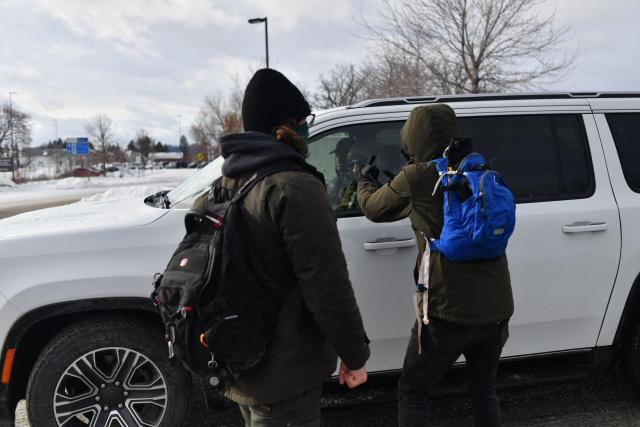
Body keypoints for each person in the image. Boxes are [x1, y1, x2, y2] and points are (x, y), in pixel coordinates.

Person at [212, 68, 370, 426]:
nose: (308, 128)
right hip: (283, 371)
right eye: (304, 120)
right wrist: (354, 354)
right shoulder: (294, 187)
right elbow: (327, 286)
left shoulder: (229, 181)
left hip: (240, 358)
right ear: (288, 126)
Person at [356, 104, 513, 427]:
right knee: (484, 391)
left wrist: (363, 181)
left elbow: (374, 208)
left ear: (412, 137)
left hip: (448, 311)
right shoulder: (478, 168)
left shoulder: (418, 176)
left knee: (413, 390)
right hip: (497, 309)